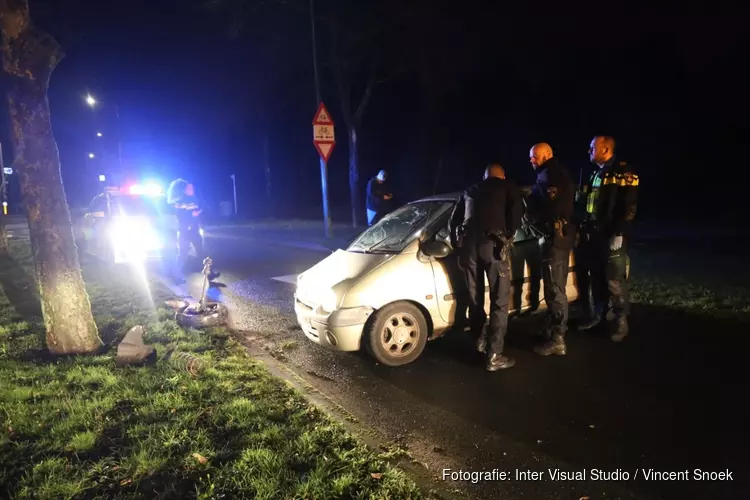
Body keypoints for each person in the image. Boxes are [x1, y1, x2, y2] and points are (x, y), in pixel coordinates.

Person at [456, 164, 523, 371]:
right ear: (502, 176)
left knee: (475, 299)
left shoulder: (470, 190)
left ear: (484, 176)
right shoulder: (508, 187)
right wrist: (508, 237)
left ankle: (479, 342)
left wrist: (459, 246)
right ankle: (494, 354)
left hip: (469, 249)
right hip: (493, 247)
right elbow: (516, 217)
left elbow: (454, 222)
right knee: (499, 301)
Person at [576, 136, 639, 341]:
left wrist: (619, 233)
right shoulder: (596, 173)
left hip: (612, 234)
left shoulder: (623, 171)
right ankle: (599, 315)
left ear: (605, 149)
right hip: (595, 234)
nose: (589, 150)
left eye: (592, 147)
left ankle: (622, 322)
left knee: (614, 278)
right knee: (597, 277)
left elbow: (629, 205)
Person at [522, 143, 576, 356]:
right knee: (554, 288)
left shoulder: (552, 175)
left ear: (547, 154)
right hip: (554, 237)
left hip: (556, 238)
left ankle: (558, 339)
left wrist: (532, 213)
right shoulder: (549, 174)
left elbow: (552, 208)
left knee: (555, 290)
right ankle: (552, 330)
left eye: (534, 156)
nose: (531, 160)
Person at [167, 178, 218, 283]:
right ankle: (175, 275)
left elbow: (200, 208)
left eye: (192, 188)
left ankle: (210, 273)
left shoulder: (194, 199)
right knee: (183, 255)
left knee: (202, 252)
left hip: (194, 231)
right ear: (184, 190)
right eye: (189, 188)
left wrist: (200, 210)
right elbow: (180, 215)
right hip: (184, 232)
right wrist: (192, 214)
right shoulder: (179, 201)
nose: (192, 189)